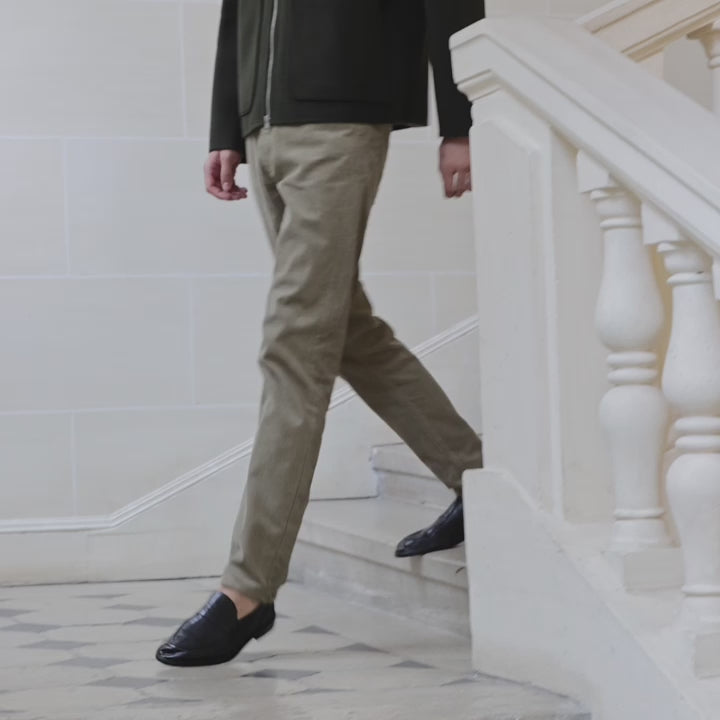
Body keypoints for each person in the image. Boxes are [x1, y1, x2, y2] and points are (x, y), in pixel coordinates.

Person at [156, 0, 485, 668]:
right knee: (347, 330)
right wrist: (228, 124)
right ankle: (476, 480)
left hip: (341, 118)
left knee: (294, 342)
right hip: (265, 126)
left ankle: (248, 588)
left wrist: (462, 120)